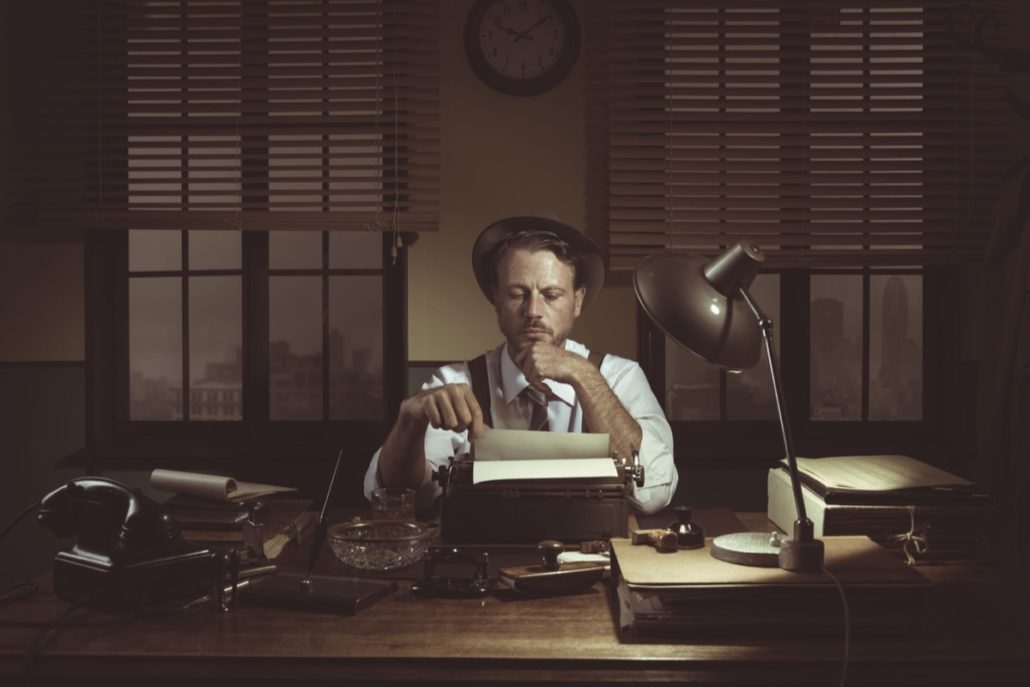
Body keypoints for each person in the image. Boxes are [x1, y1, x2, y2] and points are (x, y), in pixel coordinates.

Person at [363, 216, 677, 515]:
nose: (533, 311)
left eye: (551, 295)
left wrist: (584, 376)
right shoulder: (456, 382)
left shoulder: (620, 377)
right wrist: (409, 421)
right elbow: (398, 495)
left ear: (578, 301)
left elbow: (655, 492)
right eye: (517, 294)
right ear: (496, 298)